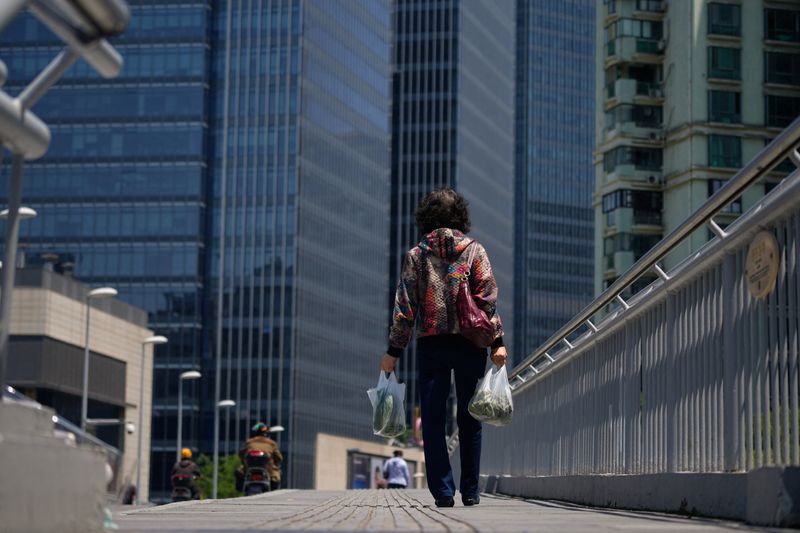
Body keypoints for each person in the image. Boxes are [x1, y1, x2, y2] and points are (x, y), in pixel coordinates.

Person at [380, 187, 507, 508]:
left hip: (432, 344)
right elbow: (488, 299)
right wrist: (498, 342)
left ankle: (443, 491)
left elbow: (404, 308)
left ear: (426, 218)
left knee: (433, 420)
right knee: (470, 417)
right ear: (460, 216)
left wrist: (393, 351)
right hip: (469, 342)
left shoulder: (416, 255)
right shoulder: (475, 251)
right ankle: (472, 490)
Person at [239, 422, 283, 491]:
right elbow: (279, 457)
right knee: (276, 476)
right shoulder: (272, 443)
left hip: (249, 468)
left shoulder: (249, 442)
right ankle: (273, 492)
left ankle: (241, 488)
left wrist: (243, 464)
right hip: (268, 469)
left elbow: (241, 454)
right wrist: (276, 464)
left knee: (239, 472)